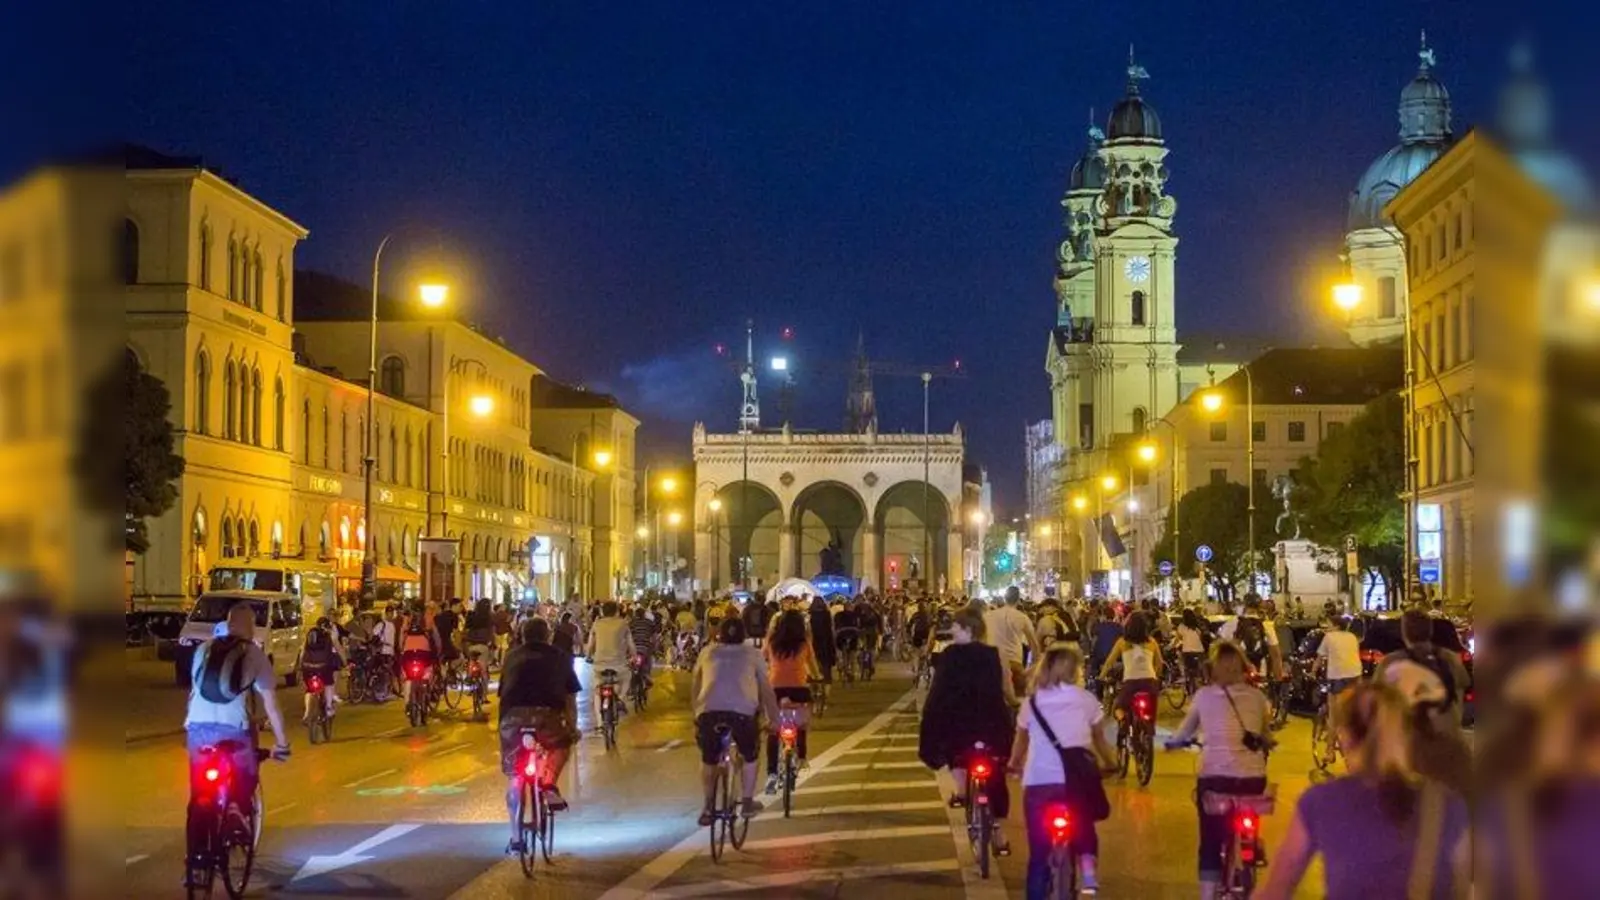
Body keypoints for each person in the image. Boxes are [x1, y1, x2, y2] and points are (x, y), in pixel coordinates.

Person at [1256, 680, 1469, 900]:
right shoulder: (1447, 804)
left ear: (1346, 737)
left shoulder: (1322, 802)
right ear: (1405, 736)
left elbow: (1275, 891)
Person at [1165, 640, 1274, 898]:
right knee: (1249, 806)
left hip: (1215, 780)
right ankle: (1250, 842)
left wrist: (1174, 743)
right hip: (1252, 779)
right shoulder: (1258, 697)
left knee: (1211, 842)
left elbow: (1184, 732)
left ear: (1212, 669)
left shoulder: (1203, 696)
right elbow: (1265, 735)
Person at [1007, 643, 1116, 897]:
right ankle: (1088, 868)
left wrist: (1013, 764)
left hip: (1038, 782)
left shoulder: (1031, 703)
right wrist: (1110, 763)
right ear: (1076, 669)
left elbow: (1021, 741)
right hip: (1075, 782)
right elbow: (1099, 739)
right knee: (1084, 822)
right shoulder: (1087, 700)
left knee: (1038, 857)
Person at [184, 603, 292, 832]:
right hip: (233, 729)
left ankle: (194, 856)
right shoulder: (254, 654)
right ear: (250, 626)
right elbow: (271, 705)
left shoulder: (204, 649)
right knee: (246, 772)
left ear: (229, 623)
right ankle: (235, 807)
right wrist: (282, 743)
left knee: (198, 791)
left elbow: (193, 691)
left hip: (197, 727)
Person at [919, 608, 1017, 854]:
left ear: (968, 630)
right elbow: (1006, 688)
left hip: (959, 721)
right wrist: (1013, 703)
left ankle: (961, 788)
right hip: (991, 721)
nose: (951, 631)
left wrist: (931, 719)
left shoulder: (949, 655)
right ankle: (999, 834)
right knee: (996, 774)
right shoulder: (996, 654)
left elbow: (939, 691)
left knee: (953, 748)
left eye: (956, 627)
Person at [498, 617, 582, 852]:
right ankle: (547, 783)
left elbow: (503, 693)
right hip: (547, 717)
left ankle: (516, 840)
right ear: (547, 635)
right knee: (561, 745)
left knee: (515, 774)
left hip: (512, 719)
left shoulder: (511, 656)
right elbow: (570, 697)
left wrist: (503, 727)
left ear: (523, 636)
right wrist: (572, 728)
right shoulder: (560, 657)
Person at [692, 617, 780, 823]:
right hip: (743, 714)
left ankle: (707, 807)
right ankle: (747, 802)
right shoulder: (753, 654)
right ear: (745, 635)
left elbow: (695, 683)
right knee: (750, 755)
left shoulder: (707, 652)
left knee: (708, 759)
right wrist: (773, 718)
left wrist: (696, 713)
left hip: (708, 713)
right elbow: (766, 689)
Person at [763, 609, 819, 793]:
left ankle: (771, 773)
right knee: (802, 724)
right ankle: (802, 757)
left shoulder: (772, 642)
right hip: (799, 691)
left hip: (775, 691)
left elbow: (764, 659)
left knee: (773, 730)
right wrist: (817, 677)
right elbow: (812, 666)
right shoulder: (804, 644)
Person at [1098, 610, 1163, 724]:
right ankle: (1149, 735)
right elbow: (1159, 663)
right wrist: (1156, 677)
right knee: (1150, 714)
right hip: (1150, 682)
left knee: (1118, 708)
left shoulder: (1122, 642)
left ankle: (1123, 722)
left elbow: (1109, 662)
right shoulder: (1152, 642)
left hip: (1131, 683)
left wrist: (1101, 677)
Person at [985, 586, 1041, 700]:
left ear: (1004, 598)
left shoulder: (988, 616)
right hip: (1014, 663)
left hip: (991, 664)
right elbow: (1034, 645)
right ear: (1018, 599)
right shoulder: (1022, 618)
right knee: (1019, 699)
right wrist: (1034, 667)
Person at [586, 601, 637, 703]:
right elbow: (631, 644)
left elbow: (590, 644)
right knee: (627, 676)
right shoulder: (623, 623)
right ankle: (620, 700)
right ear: (617, 612)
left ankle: (599, 716)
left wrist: (588, 656)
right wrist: (634, 656)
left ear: (602, 612)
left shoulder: (596, 624)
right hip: (619, 665)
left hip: (599, 665)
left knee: (597, 689)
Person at [297, 624, 344, 723]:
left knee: (309, 690)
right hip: (323, 667)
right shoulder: (331, 635)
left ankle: (306, 713)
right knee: (329, 683)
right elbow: (339, 649)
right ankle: (328, 707)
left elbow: (302, 652)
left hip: (308, 667)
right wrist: (345, 662)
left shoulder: (309, 635)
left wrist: (301, 666)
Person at [399, 606, 441, 707]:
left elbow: (401, 641)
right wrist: (438, 651)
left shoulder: (407, 625)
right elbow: (437, 640)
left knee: (408, 678)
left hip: (408, 653)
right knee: (428, 671)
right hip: (424, 654)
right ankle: (426, 691)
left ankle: (407, 703)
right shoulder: (429, 623)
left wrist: (402, 650)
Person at [1315, 614, 1362, 696]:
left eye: (1329, 625)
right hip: (1355, 673)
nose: (1327, 627)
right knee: (1354, 699)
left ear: (1337, 626)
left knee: (1334, 700)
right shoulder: (1352, 636)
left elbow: (1319, 657)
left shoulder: (1329, 637)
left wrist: (1313, 671)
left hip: (1337, 674)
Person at [1174, 607, 1209, 687]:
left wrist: (1171, 647)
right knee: (1201, 665)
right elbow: (1200, 637)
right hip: (1199, 650)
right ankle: (1205, 679)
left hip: (1187, 651)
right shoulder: (1197, 628)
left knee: (1184, 662)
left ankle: (1184, 676)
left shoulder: (1181, 627)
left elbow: (1177, 639)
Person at [628, 605, 660, 687]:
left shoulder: (632, 622)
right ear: (644, 614)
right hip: (645, 646)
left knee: (631, 662)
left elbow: (628, 636)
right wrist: (655, 648)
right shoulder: (649, 622)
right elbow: (655, 637)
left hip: (634, 647)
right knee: (648, 660)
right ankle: (647, 675)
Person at [808, 595, 837, 684]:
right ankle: (827, 677)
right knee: (826, 659)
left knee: (815, 658)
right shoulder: (826, 614)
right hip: (826, 639)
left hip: (814, 639)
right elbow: (830, 627)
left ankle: (816, 676)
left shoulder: (810, 614)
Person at [463, 599, 496, 667]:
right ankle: (484, 676)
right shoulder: (490, 618)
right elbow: (491, 633)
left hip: (469, 645)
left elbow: (465, 630)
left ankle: (469, 676)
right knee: (483, 665)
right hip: (483, 645)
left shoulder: (470, 615)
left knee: (471, 661)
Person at [435, 598, 463, 664]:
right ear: (454, 606)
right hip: (446, 643)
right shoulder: (454, 616)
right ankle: (450, 670)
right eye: (460, 606)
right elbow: (455, 633)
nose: (461, 608)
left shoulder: (442, 614)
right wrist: (459, 647)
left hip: (438, 641)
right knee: (460, 658)